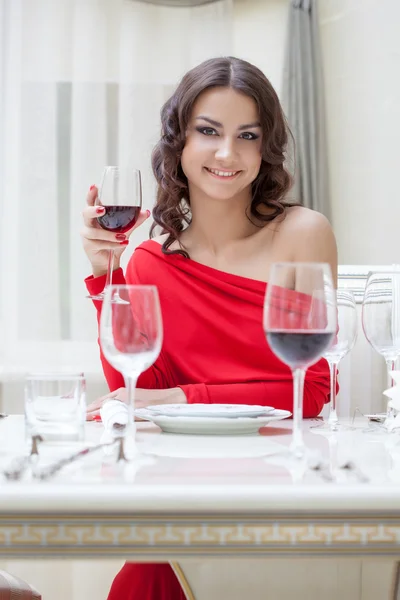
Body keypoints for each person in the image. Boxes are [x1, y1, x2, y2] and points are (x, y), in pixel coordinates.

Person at [81, 56, 337, 599]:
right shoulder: (150, 261)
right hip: (184, 486)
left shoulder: (302, 233)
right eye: (208, 132)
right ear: (178, 142)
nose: (227, 153)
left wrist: (182, 397)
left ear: (266, 147)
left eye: (247, 135)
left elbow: (311, 390)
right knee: (151, 574)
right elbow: (135, 390)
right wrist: (107, 278)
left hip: (286, 483)